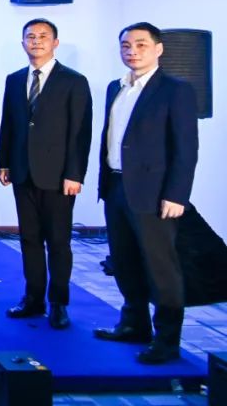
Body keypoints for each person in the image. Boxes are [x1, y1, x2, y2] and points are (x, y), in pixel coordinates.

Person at [93, 22, 198, 364]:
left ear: (158, 48)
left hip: (154, 194)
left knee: (161, 268)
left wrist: (177, 195)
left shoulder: (176, 90)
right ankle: (134, 324)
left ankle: (167, 341)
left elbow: (186, 148)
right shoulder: (117, 87)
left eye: (140, 44)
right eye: (126, 45)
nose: (132, 51)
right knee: (125, 262)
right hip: (116, 186)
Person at [0, 19, 92, 329]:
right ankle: (33, 299)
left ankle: (59, 303)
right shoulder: (14, 79)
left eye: (43, 36)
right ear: (23, 42)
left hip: (58, 176)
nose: (36, 41)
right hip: (22, 172)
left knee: (58, 242)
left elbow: (81, 132)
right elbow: (9, 124)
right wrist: (4, 162)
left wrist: (75, 174)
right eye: (30, 37)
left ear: (55, 43)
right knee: (29, 239)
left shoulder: (73, 81)